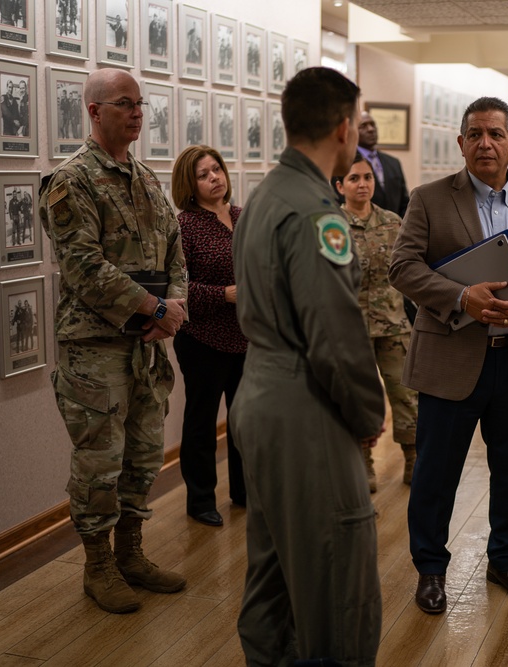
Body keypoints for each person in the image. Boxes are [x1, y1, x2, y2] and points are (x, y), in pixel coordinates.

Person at [388, 96, 508, 615]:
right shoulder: (429, 199)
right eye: (474, 134)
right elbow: (402, 267)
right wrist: (459, 297)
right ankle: (430, 570)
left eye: (495, 134)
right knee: (435, 473)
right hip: (451, 358)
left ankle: (506, 561)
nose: (484, 143)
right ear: (461, 143)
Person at [231, 67, 385, 667]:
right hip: (305, 407)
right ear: (344, 128)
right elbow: (335, 337)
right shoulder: (318, 212)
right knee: (337, 582)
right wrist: (368, 414)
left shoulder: (266, 194)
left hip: (259, 396)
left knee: (272, 574)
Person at [39, 69, 188, 615]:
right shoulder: (70, 180)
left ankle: (131, 553)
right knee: (99, 461)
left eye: (140, 104)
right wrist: (154, 308)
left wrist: (174, 308)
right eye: (125, 104)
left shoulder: (147, 179)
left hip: (147, 346)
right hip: (95, 350)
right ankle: (97, 565)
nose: (138, 112)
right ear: (94, 111)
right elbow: (83, 266)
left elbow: (176, 252)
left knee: (143, 457)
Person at [170, 145, 247, 528]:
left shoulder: (242, 216)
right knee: (202, 423)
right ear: (190, 183)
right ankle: (200, 500)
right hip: (202, 338)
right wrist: (226, 294)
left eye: (217, 169)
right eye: (204, 174)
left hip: (246, 336)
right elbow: (178, 287)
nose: (215, 177)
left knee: (245, 419)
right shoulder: (184, 225)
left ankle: (245, 491)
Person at [336, 153, 418, 492]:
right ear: (340, 185)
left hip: (393, 323)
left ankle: (414, 459)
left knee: (406, 394)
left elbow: (410, 269)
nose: (362, 184)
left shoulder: (392, 222)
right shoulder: (331, 225)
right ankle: (363, 464)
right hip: (350, 327)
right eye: (354, 178)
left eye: (367, 178)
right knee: (356, 398)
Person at [357, 111, 410, 218]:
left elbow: (405, 203)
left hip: (395, 230)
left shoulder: (393, 163)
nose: (371, 129)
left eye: (373, 124)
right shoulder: (345, 164)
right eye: (363, 126)